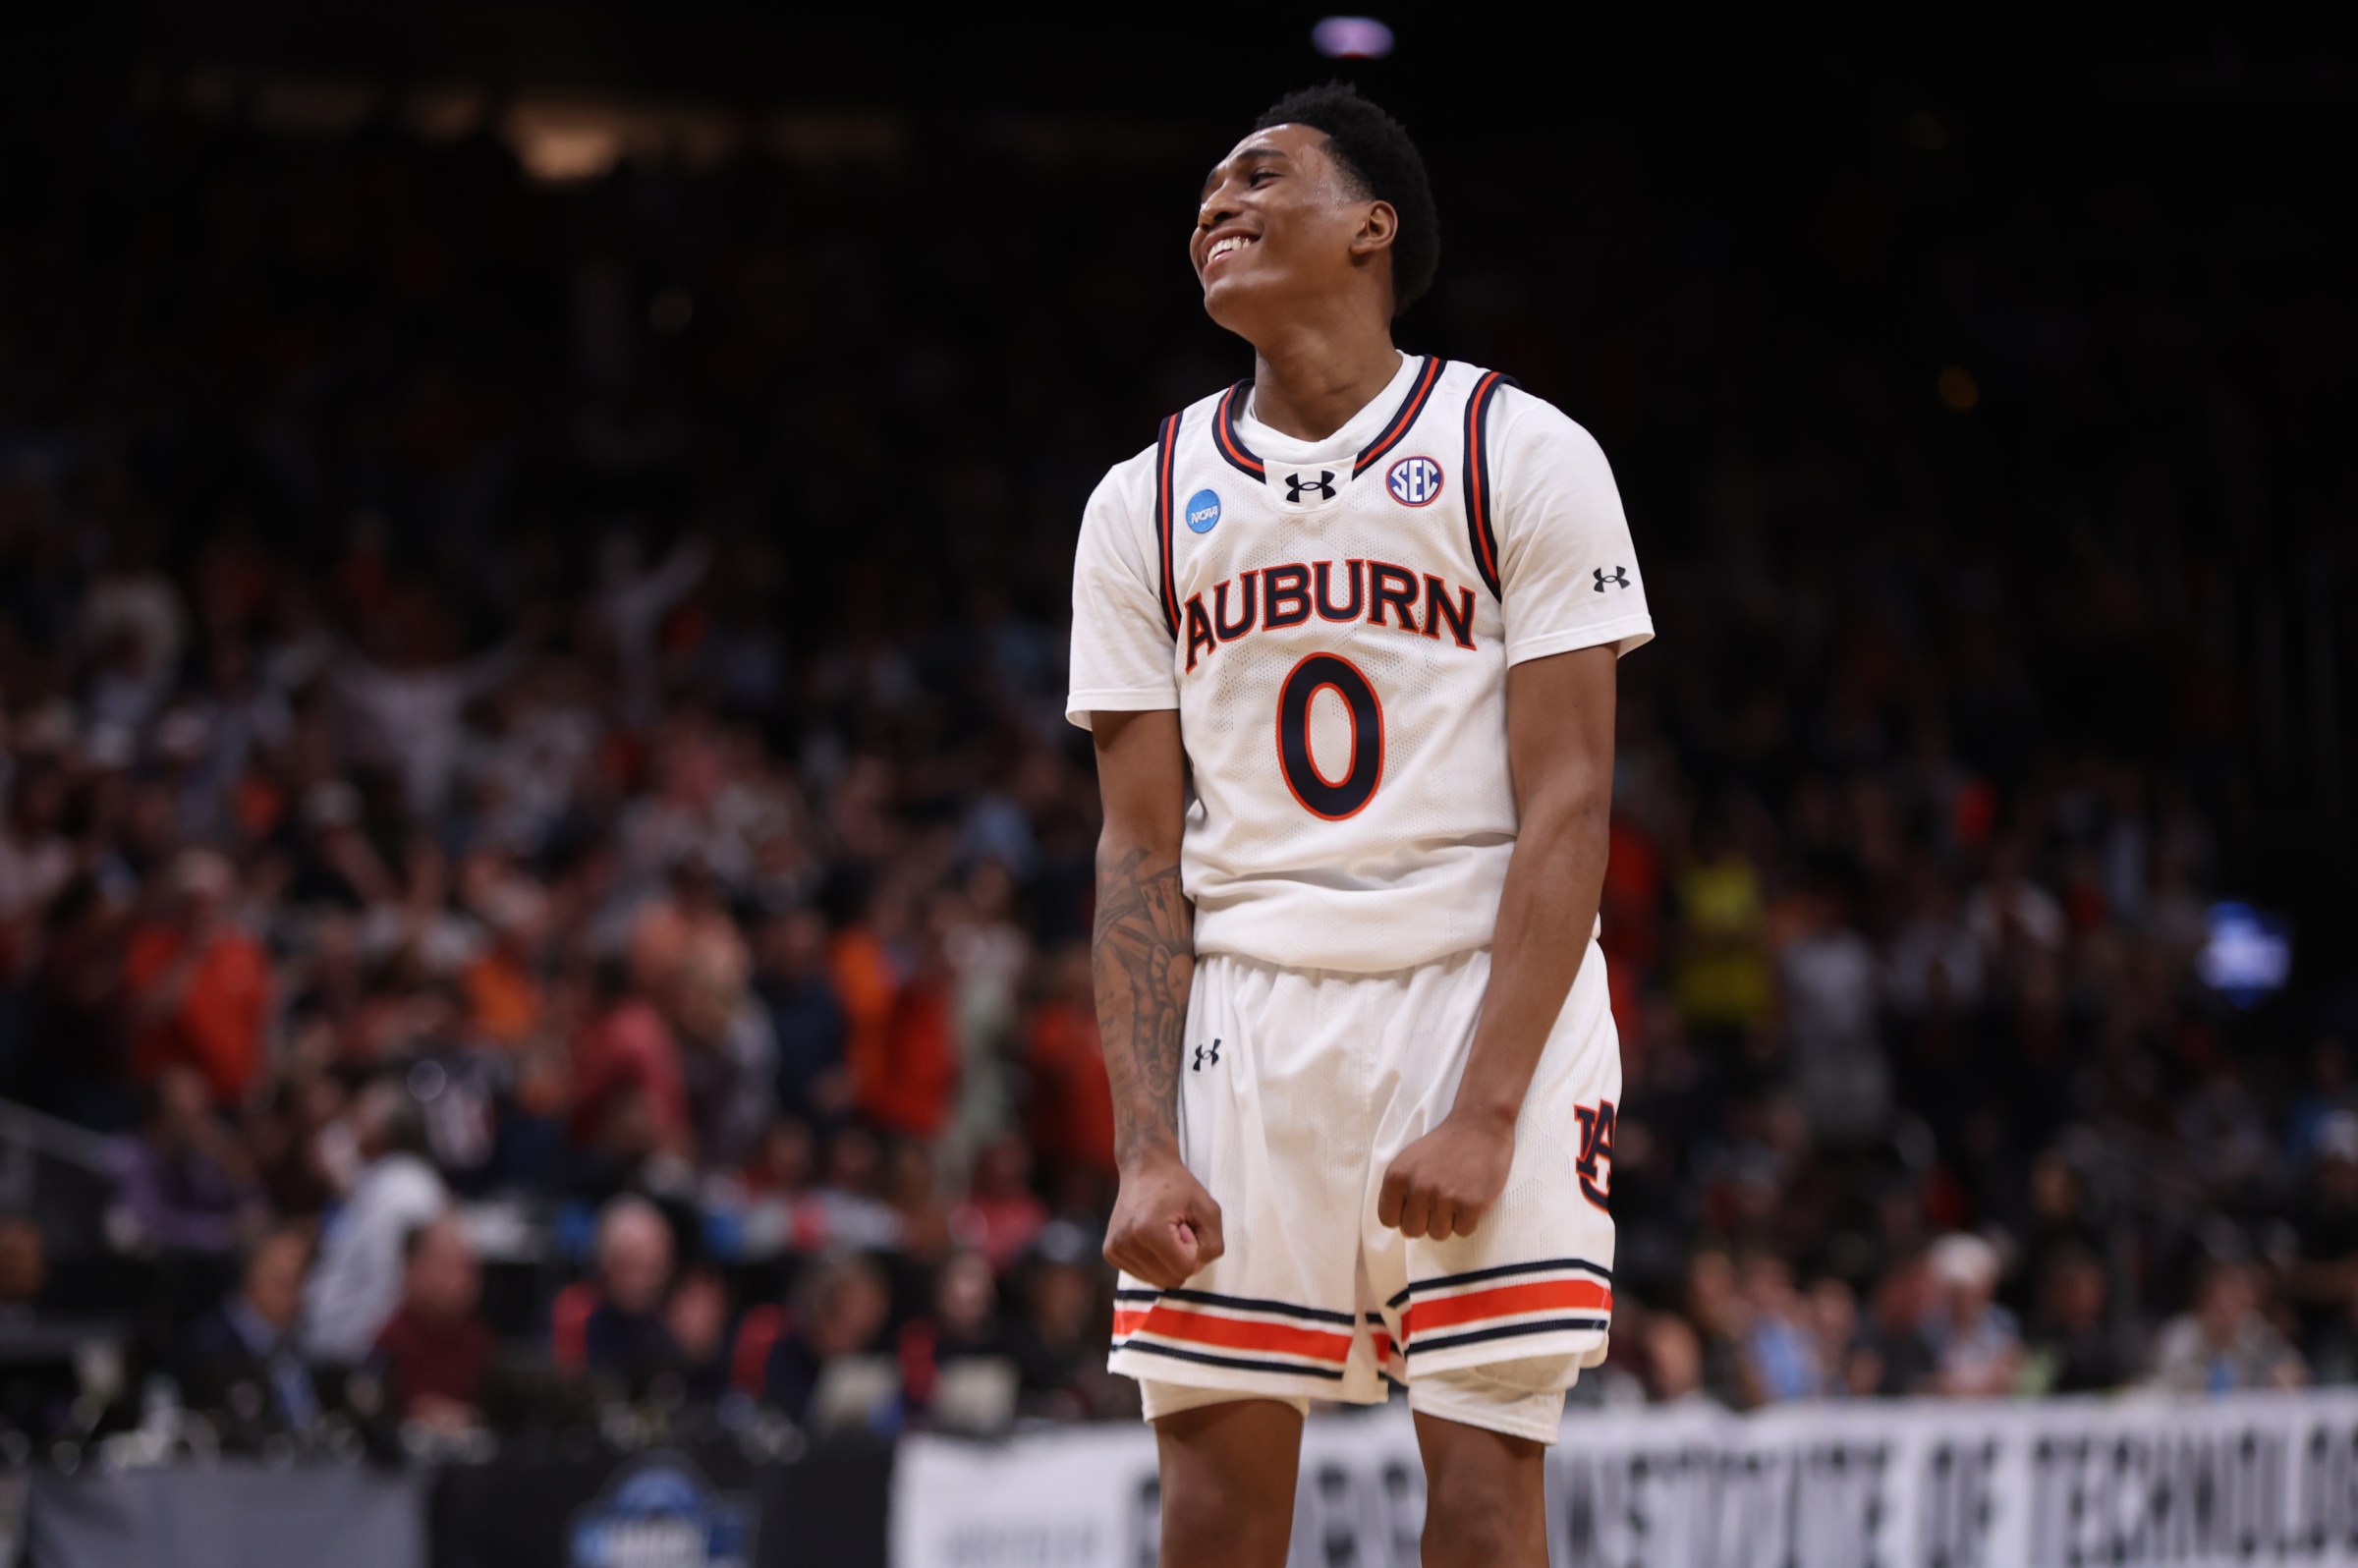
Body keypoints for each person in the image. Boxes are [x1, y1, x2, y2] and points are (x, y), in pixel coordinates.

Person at [1066, 84, 1652, 1567]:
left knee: (1477, 1502)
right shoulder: (1138, 505)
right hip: (1248, 1013)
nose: (1217, 207)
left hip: (1476, 985)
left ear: (1371, 228)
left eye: (1260, 177)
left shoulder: (1520, 451)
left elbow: (1571, 803)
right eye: (1203, 193)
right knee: (1208, 1511)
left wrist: (1489, 1105)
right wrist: (1143, 1146)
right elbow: (1138, 854)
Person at [302, 1079, 448, 1362]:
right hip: (335, 1342)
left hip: (362, 1349)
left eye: (358, 1118)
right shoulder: (379, 1179)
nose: (349, 1130)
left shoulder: (409, 1188)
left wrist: (375, 1346)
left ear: (384, 1130)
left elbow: (395, 1281)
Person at [179, 1225, 318, 1433]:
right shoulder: (208, 1346)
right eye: (284, 1283)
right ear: (251, 1278)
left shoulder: (300, 1342)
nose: (296, 1297)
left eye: (301, 1283)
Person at [369, 1215, 493, 1430]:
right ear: (411, 1270)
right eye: (446, 1265)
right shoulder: (391, 1345)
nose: (462, 1280)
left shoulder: (480, 1341)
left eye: (468, 1267)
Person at [582, 1195, 680, 1379]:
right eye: (633, 1266)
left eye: (655, 1268)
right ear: (605, 1265)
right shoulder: (573, 1318)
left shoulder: (671, 1324)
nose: (647, 1281)